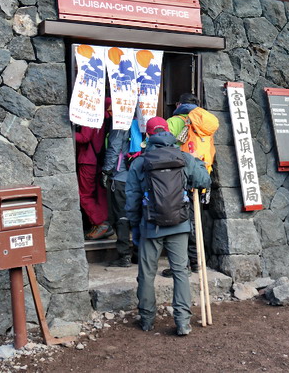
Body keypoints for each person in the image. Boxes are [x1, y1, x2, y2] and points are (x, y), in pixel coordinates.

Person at [126, 117, 211, 336]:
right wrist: (198, 166)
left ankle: (147, 319)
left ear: (149, 135)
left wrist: (135, 226)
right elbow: (203, 181)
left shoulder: (139, 162)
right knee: (181, 272)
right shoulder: (184, 157)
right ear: (167, 132)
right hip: (179, 223)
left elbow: (132, 198)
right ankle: (182, 322)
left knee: (146, 273)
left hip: (149, 225)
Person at [162, 93, 219, 277]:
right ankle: (196, 262)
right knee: (196, 219)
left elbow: (164, 147)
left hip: (181, 178)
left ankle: (182, 264)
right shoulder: (206, 125)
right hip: (202, 178)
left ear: (179, 104)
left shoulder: (174, 121)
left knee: (180, 220)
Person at [102, 110, 143, 267]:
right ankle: (138, 254)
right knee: (138, 216)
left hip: (120, 178)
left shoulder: (120, 126)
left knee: (122, 217)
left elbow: (113, 149)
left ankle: (124, 255)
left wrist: (106, 171)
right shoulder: (142, 125)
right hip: (138, 179)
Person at [76, 101, 111, 240]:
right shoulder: (107, 117)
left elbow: (85, 137)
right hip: (100, 159)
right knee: (99, 193)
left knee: (84, 194)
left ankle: (100, 223)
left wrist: (69, 132)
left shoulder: (91, 116)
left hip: (88, 159)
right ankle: (102, 222)